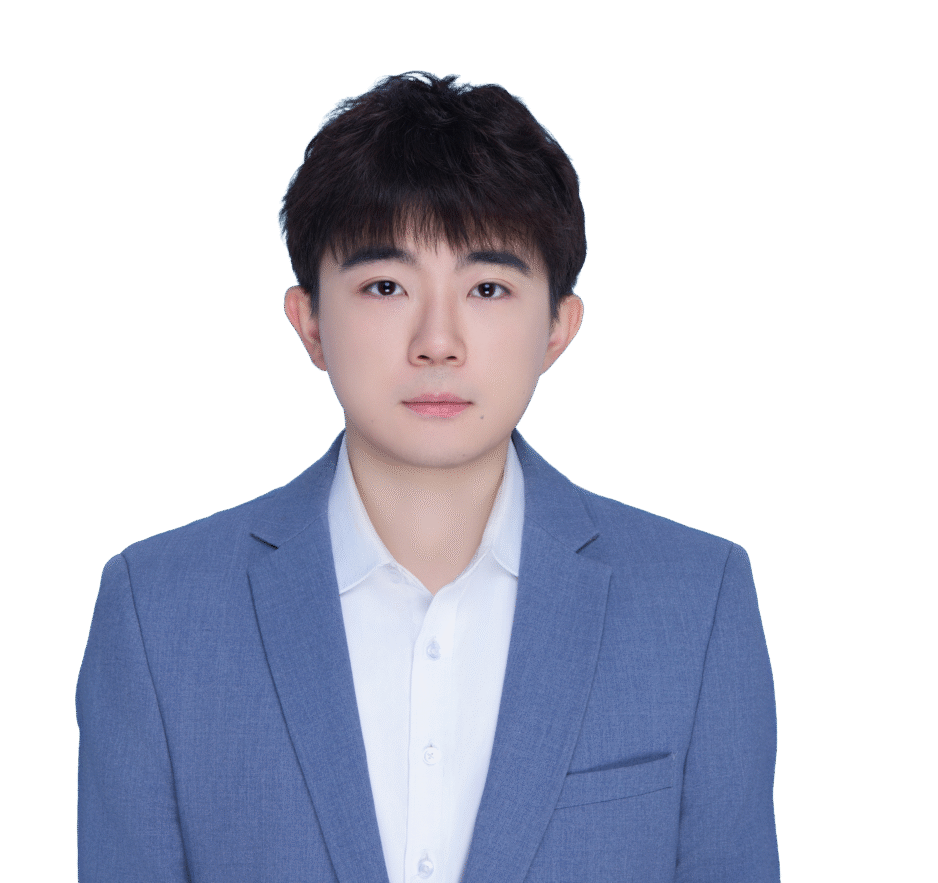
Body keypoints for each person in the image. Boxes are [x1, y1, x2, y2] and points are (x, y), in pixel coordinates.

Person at [76, 71, 780, 883]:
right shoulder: (157, 613)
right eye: (386, 286)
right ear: (309, 320)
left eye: (487, 288)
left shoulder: (697, 602)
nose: (437, 341)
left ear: (558, 326)